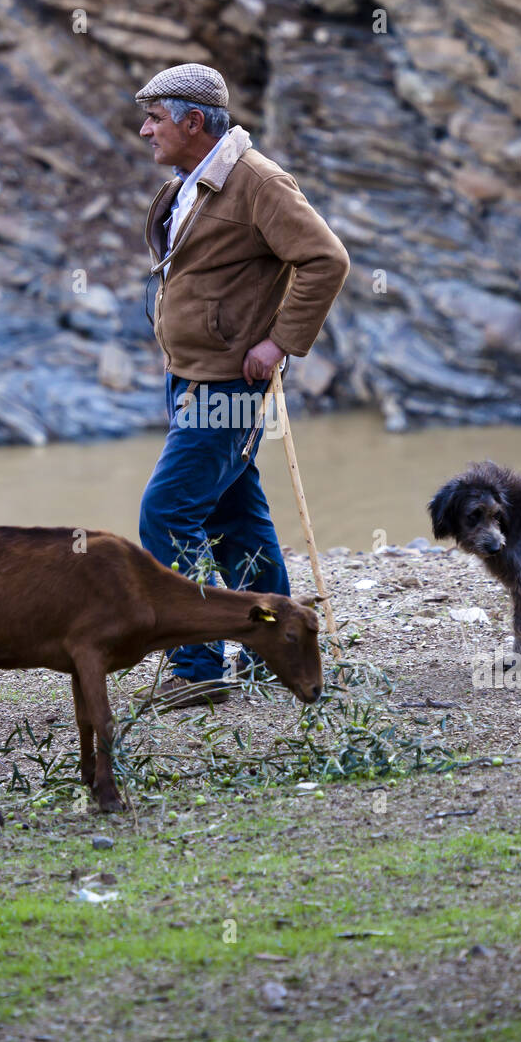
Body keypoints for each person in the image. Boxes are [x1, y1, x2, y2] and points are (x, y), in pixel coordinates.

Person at [136, 63, 349, 706]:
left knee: (167, 513)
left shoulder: (256, 181)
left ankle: (197, 666)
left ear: (193, 122)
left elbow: (325, 259)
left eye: (155, 118)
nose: (146, 130)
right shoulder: (194, 181)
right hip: (190, 378)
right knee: (234, 517)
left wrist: (279, 340)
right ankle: (276, 644)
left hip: (227, 387)